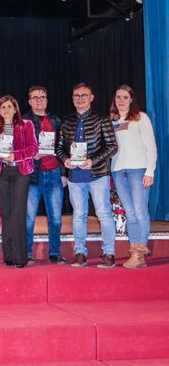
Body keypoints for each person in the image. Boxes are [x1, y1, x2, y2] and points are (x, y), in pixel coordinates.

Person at [56, 83, 118, 268]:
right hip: (75, 176)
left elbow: (112, 146)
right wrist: (65, 159)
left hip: (97, 175)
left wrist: (93, 161)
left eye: (84, 95)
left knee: (104, 214)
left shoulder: (102, 120)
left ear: (91, 97)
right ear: (72, 98)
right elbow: (59, 148)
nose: (80, 99)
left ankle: (109, 253)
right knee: (79, 215)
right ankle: (80, 253)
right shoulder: (67, 122)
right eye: (76, 95)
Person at [109, 84, 157, 268]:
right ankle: (135, 252)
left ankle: (139, 252)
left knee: (139, 211)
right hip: (119, 171)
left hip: (138, 170)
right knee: (129, 212)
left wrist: (149, 171)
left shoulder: (141, 118)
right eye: (118, 97)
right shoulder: (112, 120)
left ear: (131, 100)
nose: (121, 101)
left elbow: (151, 147)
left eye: (124, 97)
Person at [0, 95, 38, 269]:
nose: (6, 110)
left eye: (9, 106)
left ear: (15, 108)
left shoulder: (26, 125)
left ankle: (20, 257)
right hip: (3, 172)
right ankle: (8, 256)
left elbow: (34, 148)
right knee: (6, 213)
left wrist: (15, 155)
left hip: (20, 172)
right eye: (2, 107)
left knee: (18, 213)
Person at [22, 86, 66, 264]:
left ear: (47, 99)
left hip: (54, 173)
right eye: (35, 97)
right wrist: (31, 155)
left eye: (43, 97)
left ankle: (55, 252)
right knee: (28, 217)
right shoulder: (24, 121)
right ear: (30, 101)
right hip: (33, 175)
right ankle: (26, 253)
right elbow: (18, 147)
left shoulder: (55, 120)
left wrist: (64, 172)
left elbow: (63, 147)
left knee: (55, 217)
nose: (39, 100)